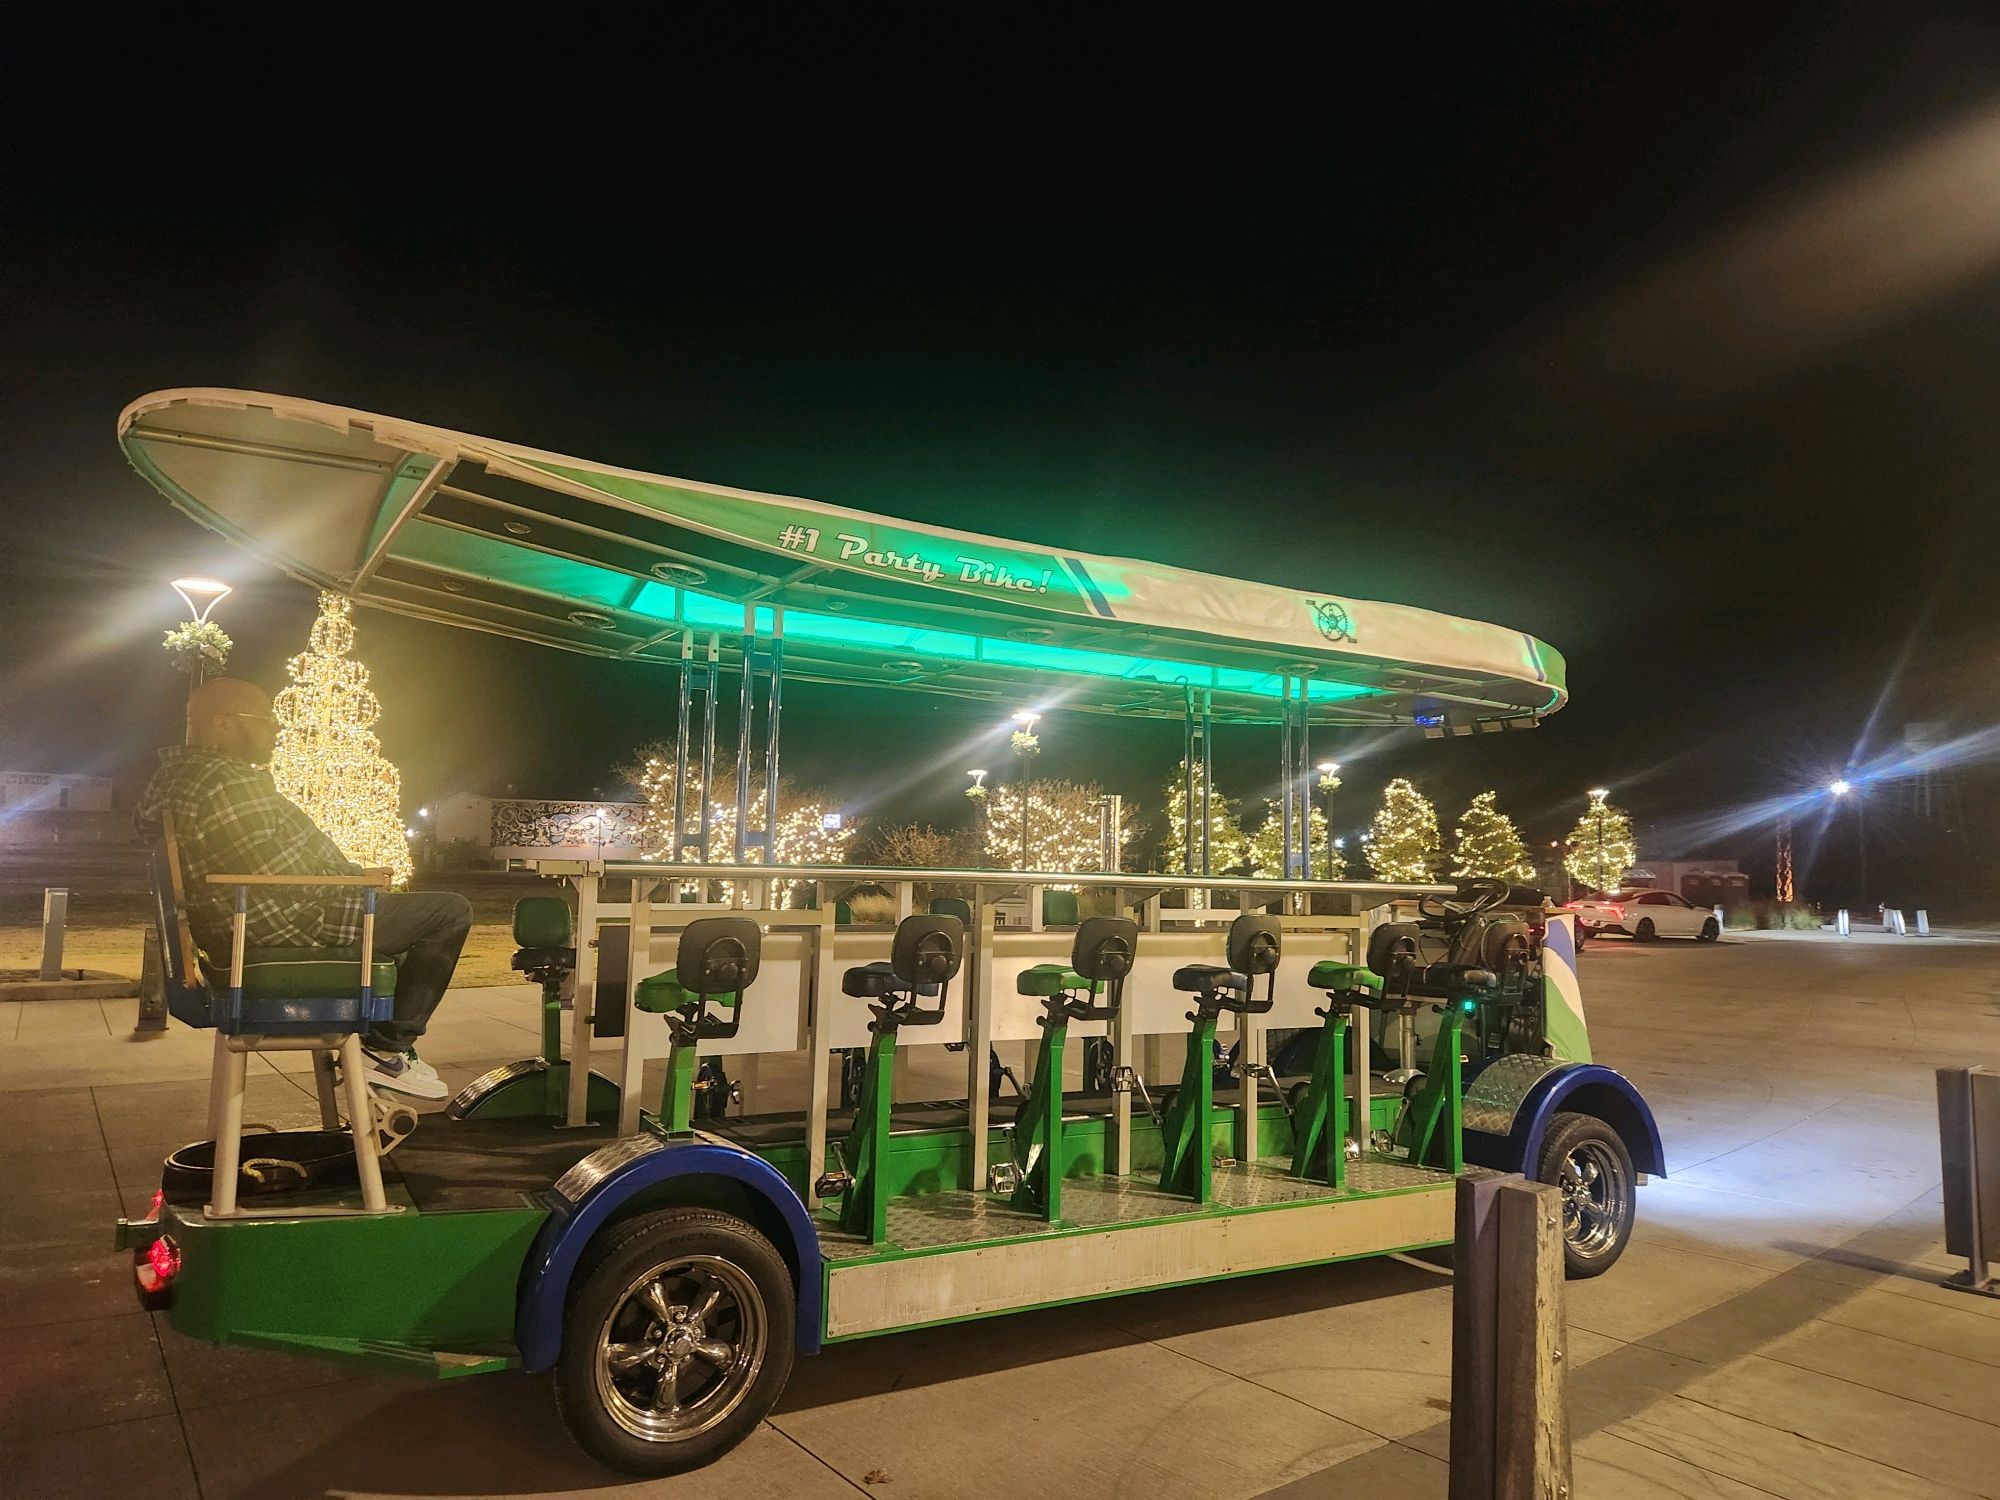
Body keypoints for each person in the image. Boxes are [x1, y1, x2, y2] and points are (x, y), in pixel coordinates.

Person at [135, 677, 468, 1100]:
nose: (276, 729)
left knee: (401, 930)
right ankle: (387, 1050)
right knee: (449, 912)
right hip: (276, 925)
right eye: (265, 719)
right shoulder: (229, 781)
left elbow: (261, 865)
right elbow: (273, 874)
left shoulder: (172, 779)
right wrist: (357, 883)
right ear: (223, 723)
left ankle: (382, 1051)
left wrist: (353, 880)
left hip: (244, 923)